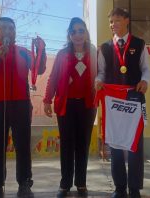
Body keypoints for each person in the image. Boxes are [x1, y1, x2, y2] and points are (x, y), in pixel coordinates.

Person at [0, 17, 46, 198]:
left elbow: (39, 69)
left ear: (15, 32)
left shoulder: (23, 52)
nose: (7, 31)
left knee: (23, 146)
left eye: (11, 28)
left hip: (20, 104)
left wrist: (41, 51)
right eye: (3, 28)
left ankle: (25, 184)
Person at [95, 8, 150, 198]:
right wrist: (98, 81)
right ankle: (119, 188)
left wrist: (145, 81)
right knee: (116, 145)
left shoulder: (140, 44)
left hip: (134, 100)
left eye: (117, 20)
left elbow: (146, 70)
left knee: (135, 145)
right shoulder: (104, 48)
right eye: (111, 22)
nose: (113, 25)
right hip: (113, 102)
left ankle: (134, 188)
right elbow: (101, 72)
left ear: (127, 20)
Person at [43, 17, 97, 198]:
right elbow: (53, 77)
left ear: (86, 33)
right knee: (67, 145)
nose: (78, 35)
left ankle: (81, 183)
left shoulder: (94, 53)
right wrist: (46, 100)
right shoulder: (62, 54)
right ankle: (65, 184)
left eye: (81, 30)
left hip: (87, 106)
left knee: (83, 144)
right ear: (69, 35)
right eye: (73, 31)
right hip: (66, 105)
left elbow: (101, 76)